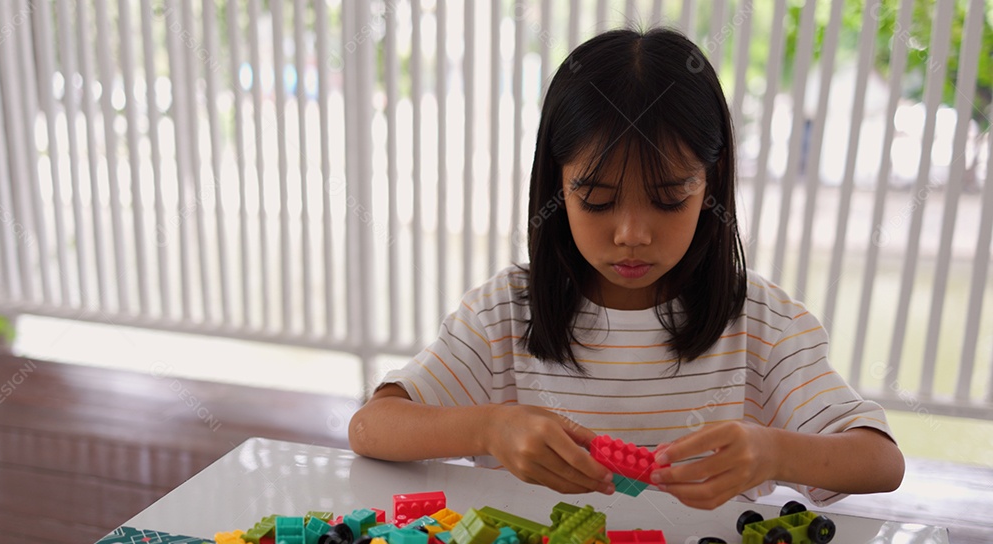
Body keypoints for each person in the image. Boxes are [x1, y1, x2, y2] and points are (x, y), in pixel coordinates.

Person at [348, 27, 904, 510]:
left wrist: (773, 451)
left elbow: (880, 461)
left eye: (668, 199)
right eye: (595, 200)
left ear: (711, 185)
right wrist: (491, 428)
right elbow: (372, 426)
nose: (631, 234)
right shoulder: (504, 314)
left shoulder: (760, 323)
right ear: (556, 187)